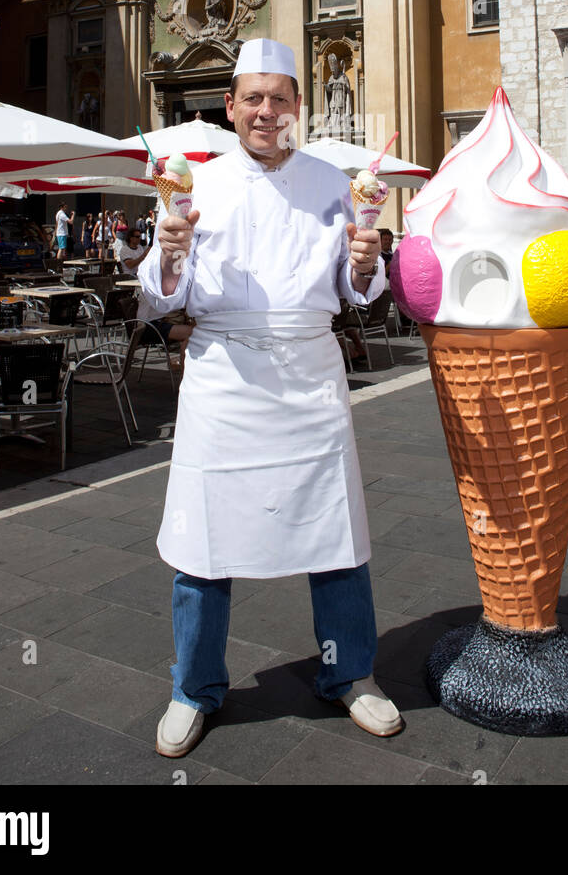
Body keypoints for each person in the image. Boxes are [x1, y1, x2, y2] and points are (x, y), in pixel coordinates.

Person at [139, 37, 402, 758]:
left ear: (298, 106)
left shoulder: (334, 183)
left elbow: (359, 293)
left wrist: (366, 264)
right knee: (205, 540)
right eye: (251, 98)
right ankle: (193, 688)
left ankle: (349, 673)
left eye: (279, 97)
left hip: (309, 375)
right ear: (229, 107)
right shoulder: (194, 185)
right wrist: (167, 253)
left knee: (336, 533)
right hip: (224, 377)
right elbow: (162, 297)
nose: (265, 110)